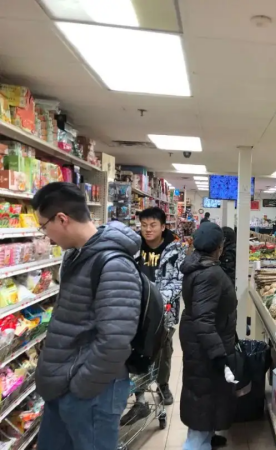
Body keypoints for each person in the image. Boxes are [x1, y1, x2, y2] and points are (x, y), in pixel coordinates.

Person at [32, 182, 142, 450]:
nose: (46, 236)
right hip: (63, 385)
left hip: (91, 393)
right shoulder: (77, 256)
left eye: (44, 226)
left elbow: (115, 341)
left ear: (62, 219)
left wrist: (80, 387)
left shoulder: (114, 265)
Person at [120, 207, 185, 425]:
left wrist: (156, 302)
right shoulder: (133, 246)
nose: (148, 229)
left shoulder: (175, 250)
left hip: (164, 311)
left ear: (163, 227)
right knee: (138, 352)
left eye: (153, 225)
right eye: (144, 225)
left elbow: (177, 282)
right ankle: (139, 398)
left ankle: (163, 385)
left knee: (163, 351)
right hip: (136, 310)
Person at [180, 223, 238, 450]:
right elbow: (204, 319)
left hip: (200, 340)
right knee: (202, 394)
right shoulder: (210, 274)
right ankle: (196, 444)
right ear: (219, 247)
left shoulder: (197, 264)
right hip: (205, 343)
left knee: (207, 391)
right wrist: (218, 354)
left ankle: (207, 435)